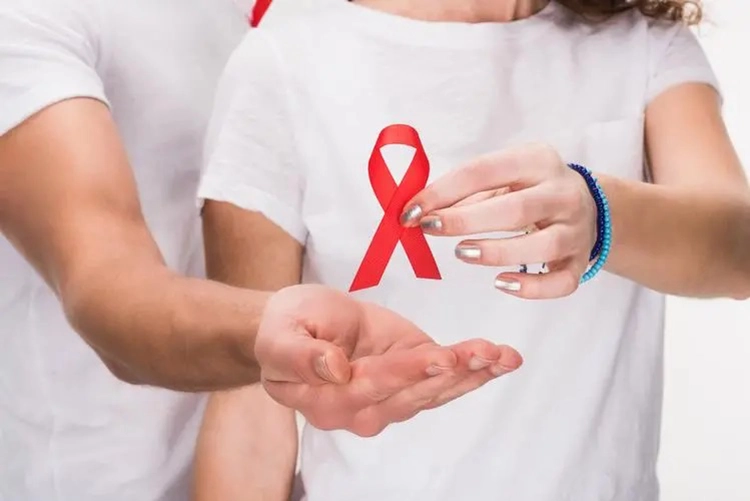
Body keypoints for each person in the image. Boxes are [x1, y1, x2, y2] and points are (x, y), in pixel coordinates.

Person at [195, 0, 750, 500]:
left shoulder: (646, 46)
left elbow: (739, 252)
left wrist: (602, 213)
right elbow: (251, 392)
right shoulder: (289, 57)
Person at [0, 0, 521, 500]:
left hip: (272, 465)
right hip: (102, 483)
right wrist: (276, 326)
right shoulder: (29, 18)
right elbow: (105, 282)